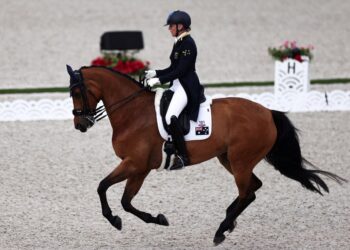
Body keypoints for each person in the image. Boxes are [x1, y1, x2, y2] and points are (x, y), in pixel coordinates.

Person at [145, 10, 205, 170]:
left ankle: (183, 156)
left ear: (180, 26)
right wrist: (156, 73)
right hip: (176, 84)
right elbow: (173, 67)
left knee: (172, 116)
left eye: (171, 26)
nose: (169, 29)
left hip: (186, 85)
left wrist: (159, 80)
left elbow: (182, 70)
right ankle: (170, 141)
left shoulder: (188, 44)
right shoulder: (179, 42)